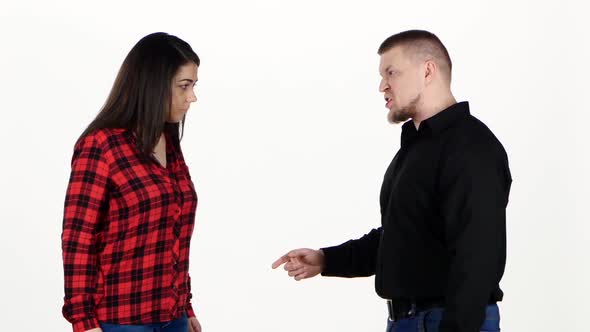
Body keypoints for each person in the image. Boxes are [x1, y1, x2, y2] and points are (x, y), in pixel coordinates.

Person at [272, 30, 512, 332]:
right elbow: (401, 237)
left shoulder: (471, 147)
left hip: (446, 320)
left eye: (391, 73)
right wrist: (326, 260)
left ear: (427, 71)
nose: (382, 86)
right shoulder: (415, 149)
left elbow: (478, 255)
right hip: (409, 320)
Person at [61, 32, 202, 332]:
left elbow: (173, 235)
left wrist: (186, 307)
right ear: (153, 84)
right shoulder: (101, 146)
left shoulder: (169, 142)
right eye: (184, 86)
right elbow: (78, 240)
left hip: (174, 320)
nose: (192, 97)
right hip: (120, 322)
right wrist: (84, 323)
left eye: (193, 86)